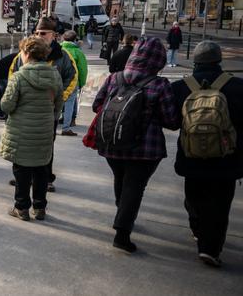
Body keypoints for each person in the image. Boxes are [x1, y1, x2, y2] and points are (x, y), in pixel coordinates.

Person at [92, 37, 180, 253]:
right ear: (158, 60)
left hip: (112, 143)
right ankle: (122, 233)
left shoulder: (114, 78)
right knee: (134, 187)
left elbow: (97, 106)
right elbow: (171, 120)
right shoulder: (160, 84)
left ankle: (122, 212)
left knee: (121, 180)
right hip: (145, 149)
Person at [171, 41, 243, 267]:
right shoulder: (238, 86)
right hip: (227, 158)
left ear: (195, 61)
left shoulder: (181, 87)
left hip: (191, 156)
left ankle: (197, 228)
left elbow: (173, 122)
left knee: (194, 197)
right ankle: (210, 248)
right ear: (219, 60)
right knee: (220, 204)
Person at [10, 18, 77, 192]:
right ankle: (23, 178)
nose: (39, 36)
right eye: (37, 33)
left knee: (46, 147)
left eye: (44, 33)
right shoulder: (24, 54)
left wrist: (58, 99)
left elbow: (72, 78)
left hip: (48, 112)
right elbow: (13, 75)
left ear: (54, 36)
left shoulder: (63, 56)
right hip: (25, 112)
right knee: (23, 145)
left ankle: (46, 178)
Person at [1, 36, 63, 221]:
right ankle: (40, 208)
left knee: (21, 171)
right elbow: (59, 104)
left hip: (21, 132)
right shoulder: (55, 75)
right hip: (44, 130)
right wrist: (49, 118)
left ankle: (21, 208)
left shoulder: (19, 76)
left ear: (26, 54)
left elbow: (6, 105)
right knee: (42, 170)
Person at [60, 30, 88, 136]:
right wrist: (81, 83)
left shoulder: (59, 49)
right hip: (72, 81)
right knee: (70, 103)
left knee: (57, 101)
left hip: (58, 79)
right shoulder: (78, 52)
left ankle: (54, 124)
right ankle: (66, 127)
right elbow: (82, 69)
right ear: (75, 39)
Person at [0, 52, 18, 121]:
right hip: (3, 74)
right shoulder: (20, 56)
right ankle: (5, 114)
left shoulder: (16, 55)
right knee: (5, 94)